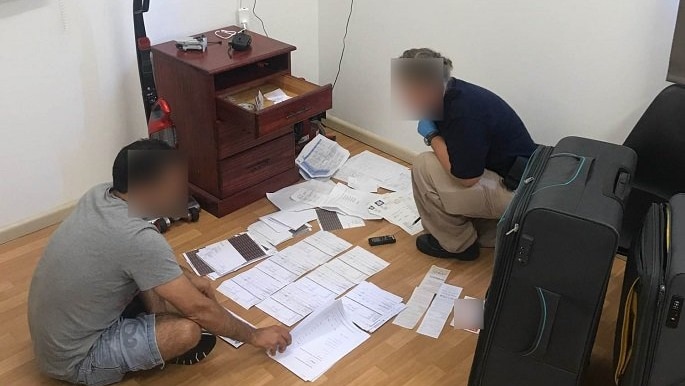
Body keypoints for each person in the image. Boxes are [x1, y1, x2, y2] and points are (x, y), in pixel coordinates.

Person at [28, 139, 291, 386]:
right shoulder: (136, 238)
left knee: (167, 287)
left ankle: (150, 317)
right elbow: (200, 310)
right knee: (188, 332)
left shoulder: (100, 195)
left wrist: (189, 278)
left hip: (55, 336)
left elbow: (147, 261)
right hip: (76, 360)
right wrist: (256, 335)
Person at [394, 48, 537, 261]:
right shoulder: (455, 92)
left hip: (519, 196)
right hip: (521, 178)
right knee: (439, 162)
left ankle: (457, 245)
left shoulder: (463, 114)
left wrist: (432, 135)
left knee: (424, 166)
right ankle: (488, 231)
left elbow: (467, 178)